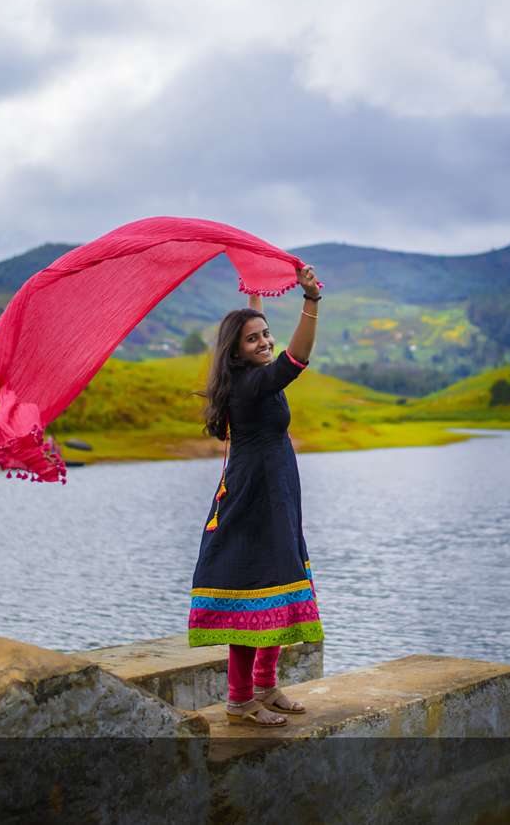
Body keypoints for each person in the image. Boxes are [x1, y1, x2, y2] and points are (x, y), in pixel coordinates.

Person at [189, 264, 324, 727]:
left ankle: (267, 686)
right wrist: (311, 301)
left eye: (266, 334)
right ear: (236, 352)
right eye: (254, 339)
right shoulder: (253, 384)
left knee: (277, 587)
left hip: (276, 495)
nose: (265, 341)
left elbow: (257, 331)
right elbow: (298, 356)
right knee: (251, 594)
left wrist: (255, 291)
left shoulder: (253, 372)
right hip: (253, 500)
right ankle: (240, 700)